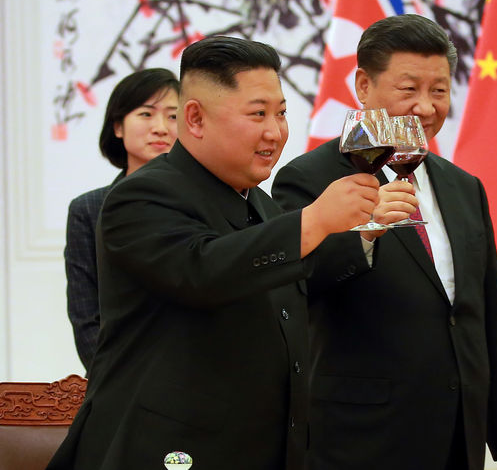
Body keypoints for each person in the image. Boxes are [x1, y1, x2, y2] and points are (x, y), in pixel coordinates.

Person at [46, 36, 379, 470]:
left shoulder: (259, 202)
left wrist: (367, 232)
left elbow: (290, 283)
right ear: (196, 119)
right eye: (257, 114)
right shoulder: (140, 197)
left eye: (280, 113)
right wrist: (314, 220)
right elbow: (202, 270)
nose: (275, 132)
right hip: (166, 451)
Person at [272, 14, 497, 470]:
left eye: (439, 90)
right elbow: (295, 287)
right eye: (408, 90)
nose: (426, 108)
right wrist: (366, 232)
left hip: (458, 434)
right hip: (361, 437)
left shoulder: (463, 186)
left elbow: (487, 312)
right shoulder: (309, 178)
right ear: (363, 86)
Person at [65, 68, 179, 372]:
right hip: (119, 385)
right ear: (118, 126)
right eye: (146, 114)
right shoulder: (89, 209)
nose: (161, 128)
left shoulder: (207, 203)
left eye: (173, 116)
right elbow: (86, 316)